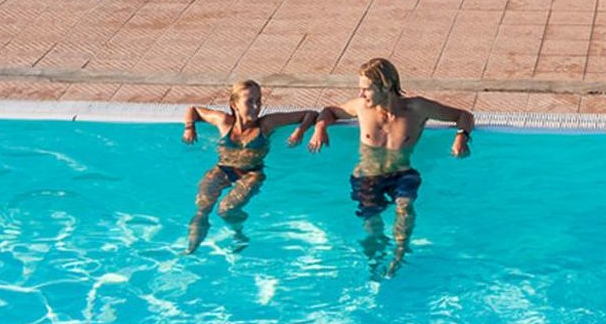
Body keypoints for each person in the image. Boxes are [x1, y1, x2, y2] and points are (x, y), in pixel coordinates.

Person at [307, 58, 472, 263]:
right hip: (366, 176)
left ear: (385, 86)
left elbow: (463, 115)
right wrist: (320, 129)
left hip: (402, 174)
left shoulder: (417, 108)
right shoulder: (361, 107)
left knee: (405, 206)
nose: (361, 94)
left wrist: (461, 137)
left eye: (366, 89)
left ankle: (401, 251)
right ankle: (376, 259)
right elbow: (328, 111)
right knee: (372, 228)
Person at [181, 79, 316, 253]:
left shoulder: (266, 124)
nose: (256, 106)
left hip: (252, 173)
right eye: (249, 102)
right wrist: (189, 127)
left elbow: (310, 114)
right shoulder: (224, 122)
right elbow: (193, 110)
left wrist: (300, 131)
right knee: (202, 209)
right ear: (234, 105)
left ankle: (239, 233)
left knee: (226, 210)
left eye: (258, 101)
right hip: (223, 169)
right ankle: (191, 249)